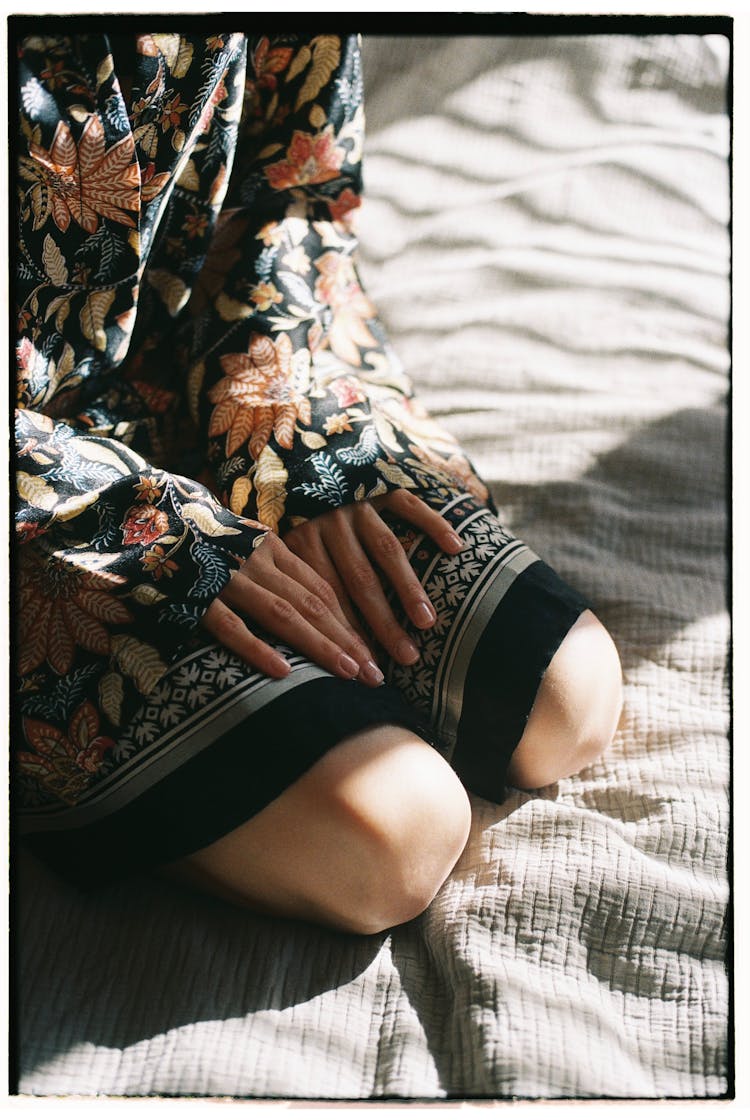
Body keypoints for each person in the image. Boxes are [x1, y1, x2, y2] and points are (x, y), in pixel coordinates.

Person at [13, 27, 623, 934]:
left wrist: (274, 429)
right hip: (33, 497)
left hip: (220, 363)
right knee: (389, 838)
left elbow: (293, 192)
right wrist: (120, 520)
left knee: (564, 697)